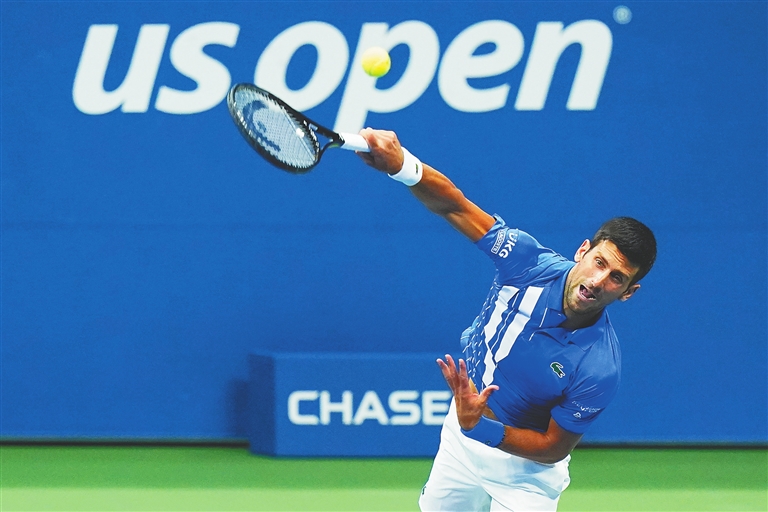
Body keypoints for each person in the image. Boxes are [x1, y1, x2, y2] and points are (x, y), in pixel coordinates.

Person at [356, 128, 657, 512]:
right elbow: (456, 207)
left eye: (617, 278)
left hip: (526, 473)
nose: (598, 281)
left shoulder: (600, 368)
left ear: (628, 292)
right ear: (583, 251)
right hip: (462, 440)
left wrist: (479, 426)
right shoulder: (528, 263)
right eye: (599, 262)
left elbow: (553, 447)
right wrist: (402, 166)